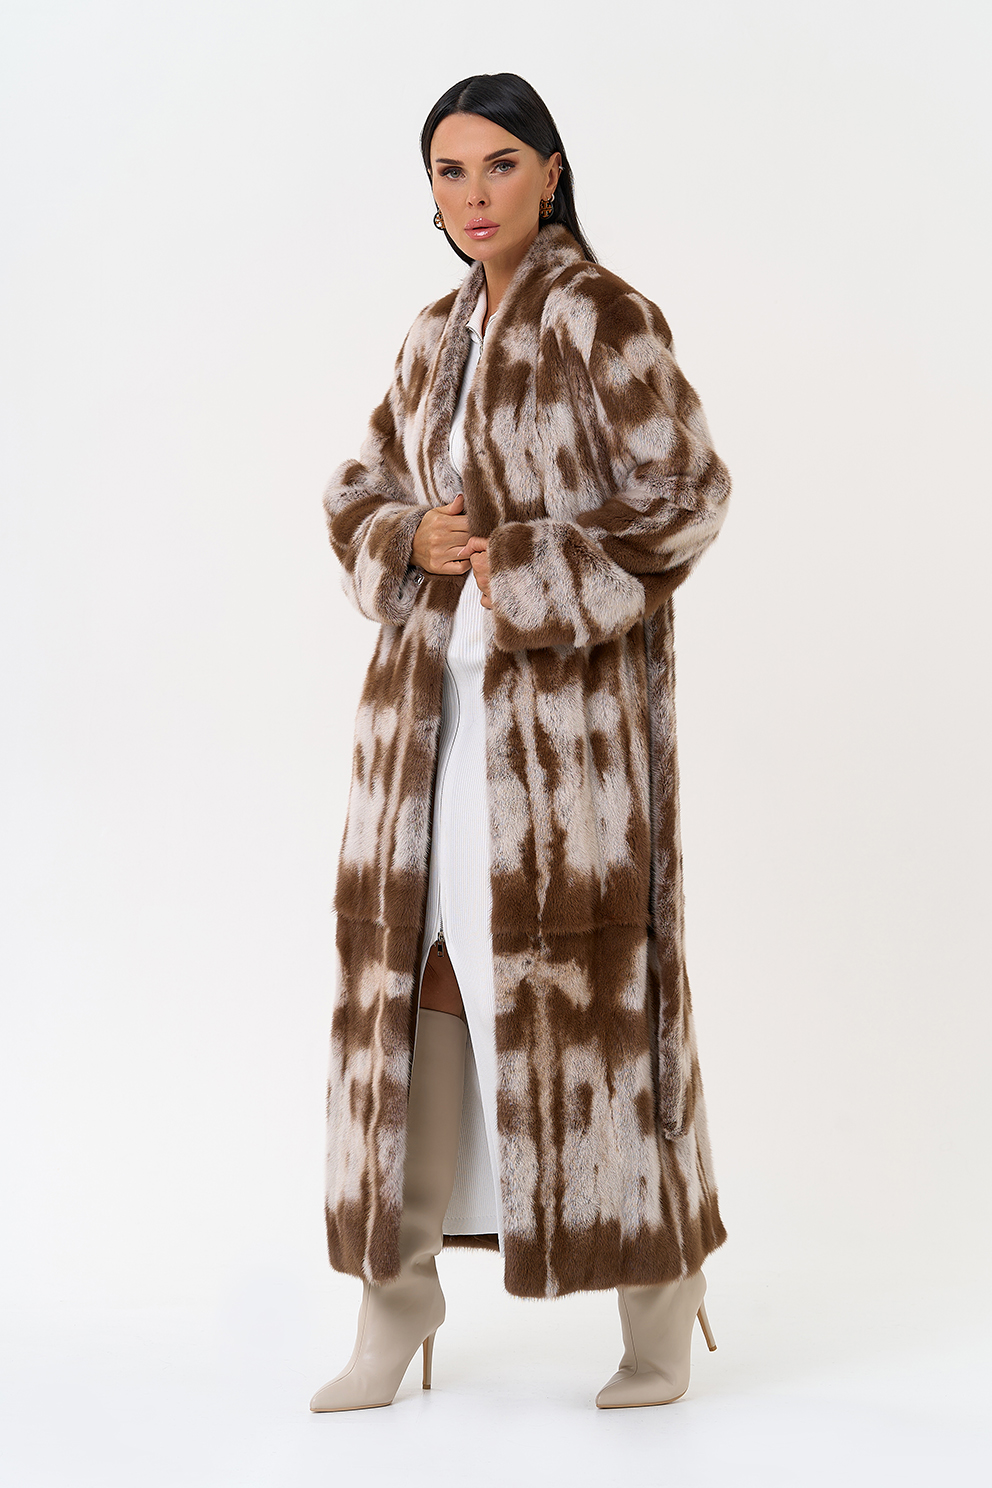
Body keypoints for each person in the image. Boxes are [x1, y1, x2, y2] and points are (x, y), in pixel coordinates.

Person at [311, 71, 731, 1414]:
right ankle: (396, 1308)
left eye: (499, 164)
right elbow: (357, 490)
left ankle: (660, 1303)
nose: (474, 195)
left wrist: (532, 567)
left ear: (550, 172)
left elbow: (687, 495)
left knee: (593, 1013)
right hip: (422, 736)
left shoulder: (604, 317)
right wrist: (408, 537)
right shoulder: (431, 336)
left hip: (566, 754)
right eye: (449, 172)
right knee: (418, 992)